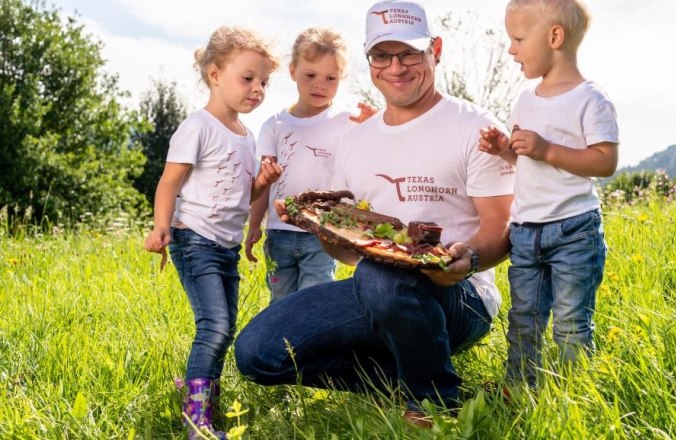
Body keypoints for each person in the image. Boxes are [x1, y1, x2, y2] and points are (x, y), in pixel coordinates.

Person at [234, 0, 515, 427]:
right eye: (382, 56)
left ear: (435, 50)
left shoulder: (472, 125)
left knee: (379, 275)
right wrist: (319, 225)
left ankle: (435, 403)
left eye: (409, 53)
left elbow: (501, 228)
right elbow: (349, 256)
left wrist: (469, 259)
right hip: (377, 290)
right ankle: (414, 381)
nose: (396, 67)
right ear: (369, 61)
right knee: (258, 352)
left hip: (462, 296)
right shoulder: (355, 141)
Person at [143, 26, 283, 439]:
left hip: (224, 247)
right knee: (214, 326)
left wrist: (263, 182)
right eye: (248, 78)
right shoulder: (197, 127)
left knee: (226, 327)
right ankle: (195, 421)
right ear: (215, 75)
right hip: (194, 239)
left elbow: (244, 193)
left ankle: (204, 400)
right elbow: (169, 182)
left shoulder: (247, 136)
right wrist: (161, 226)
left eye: (264, 82)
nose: (257, 88)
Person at [478, 0, 619, 389]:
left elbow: (605, 161)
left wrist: (546, 150)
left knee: (571, 323)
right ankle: (519, 387)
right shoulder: (526, 99)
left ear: (554, 37)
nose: (511, 49)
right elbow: (525, 157)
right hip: (526, 230)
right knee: (523, 319)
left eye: (518, 38)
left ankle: (574, 394)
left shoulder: (591, 98)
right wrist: (504, 148)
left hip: (574, 229)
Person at [245, 27, 376, 303]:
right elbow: (264, 180)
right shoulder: (275, 125)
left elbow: (369, 164)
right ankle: (280, 346)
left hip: (323, 235)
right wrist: (254, 224)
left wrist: (371, 128)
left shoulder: (347, 121)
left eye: (331, 78)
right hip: (279, 233)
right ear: (293, 72)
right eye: (310, 75)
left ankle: (308, 347)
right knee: (279, 300)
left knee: (312, 300)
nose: (321, 84)